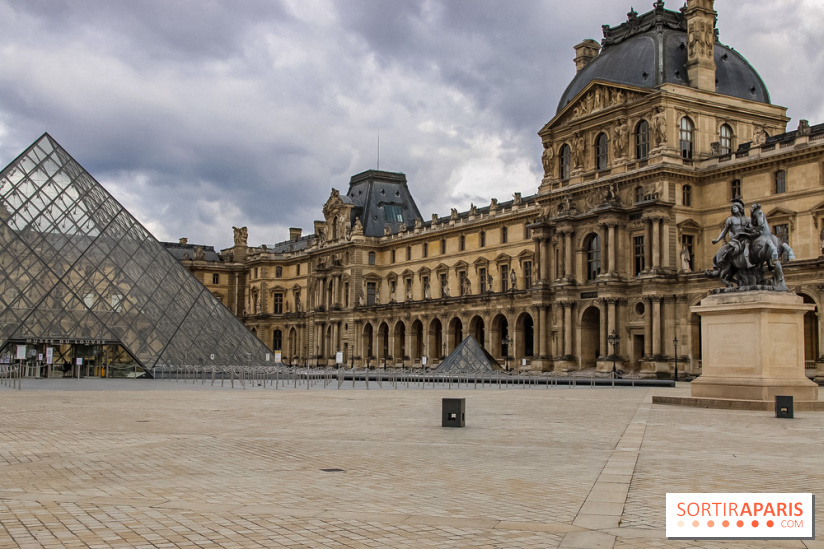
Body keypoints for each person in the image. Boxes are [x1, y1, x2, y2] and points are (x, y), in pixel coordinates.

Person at [712, 198, 756, 269]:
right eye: (732, 208)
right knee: (745, 244)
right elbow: (724, 231)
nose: (733, 209)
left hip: (746, 236)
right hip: (736, 239)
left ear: (739, 208)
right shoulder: (730, 219)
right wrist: (717, 240)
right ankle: (747, 262)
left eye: (735, 207)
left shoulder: (747, 219)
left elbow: (751, 229)